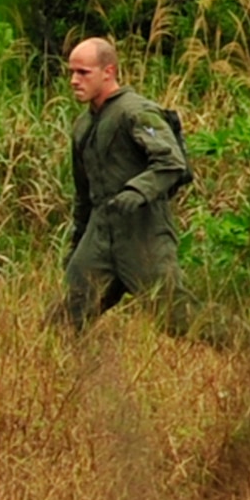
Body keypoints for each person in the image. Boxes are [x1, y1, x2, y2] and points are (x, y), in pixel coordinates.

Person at [59, 37, 192, 330]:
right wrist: (78, 241)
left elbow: (171, 162)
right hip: (100, 234)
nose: (74, 80)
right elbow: (83, 193)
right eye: (71, 72)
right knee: (65, 322)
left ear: (108, 72)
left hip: (143, 233)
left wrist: (136, 192)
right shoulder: (83, 126)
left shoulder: (136, 112)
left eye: (83, 73)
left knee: (177, 317)